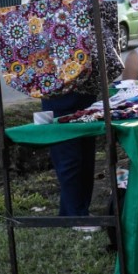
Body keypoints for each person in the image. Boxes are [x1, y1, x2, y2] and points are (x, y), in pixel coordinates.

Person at [40, 89, 99, 228]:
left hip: (84, 97)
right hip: (59, 97)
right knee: (69, 159)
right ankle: (75, 216)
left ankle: (76, 211)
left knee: (86, 158)